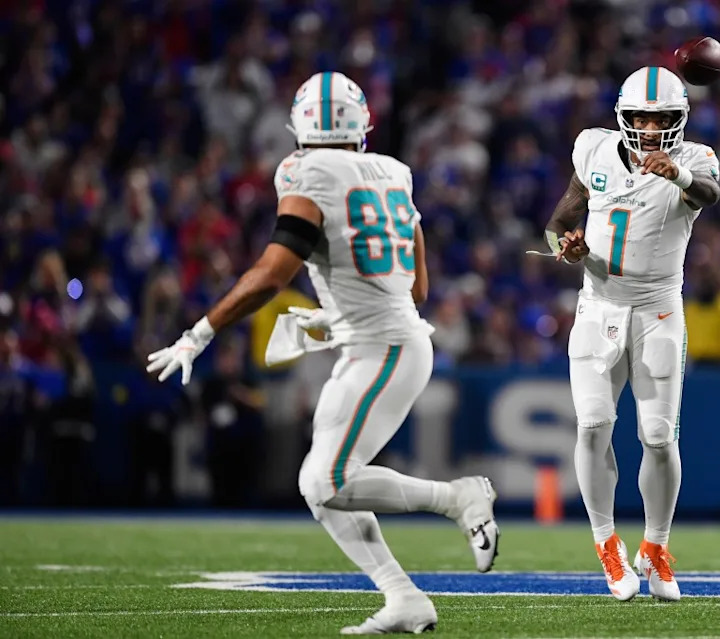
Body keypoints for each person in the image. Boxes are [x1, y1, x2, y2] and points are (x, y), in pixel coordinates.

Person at [146, 71, 499, 634]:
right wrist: (336, 316)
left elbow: (274, 271)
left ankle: (457, 498)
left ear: (299, 127)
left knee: (327, 481)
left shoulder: (303, 170)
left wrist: (201, 332)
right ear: (362, 126)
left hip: (385, 349)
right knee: (319, 485)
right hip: (381, 343)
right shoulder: (395, 172)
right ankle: (403, 598)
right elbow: (417, 288)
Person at [543, 66, 720, 602]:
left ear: (678, 120)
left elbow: (709, 194)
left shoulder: (695, 159)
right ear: (623, 116)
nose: (649, 127)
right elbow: (557, 223)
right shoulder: (594, 150)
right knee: (593, 425)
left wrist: (677, 175)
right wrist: (564, 247)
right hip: (598, 306)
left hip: (658, 311)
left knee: (660, 436)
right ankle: (607, 544)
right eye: (640, 117)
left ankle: (656, 547)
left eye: (660, 118)